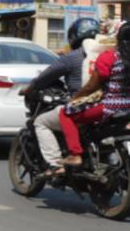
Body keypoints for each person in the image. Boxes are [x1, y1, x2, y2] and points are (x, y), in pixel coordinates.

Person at [56, 21, 130, 173]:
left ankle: (75, 154)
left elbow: (92, 85)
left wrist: (76, 98)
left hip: (113, 107)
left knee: (66, 113)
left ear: (118, 37)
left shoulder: (110, 57)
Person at [22, 18, 100, 176]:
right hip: (109, 106)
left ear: (74, 36)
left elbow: (46, 76)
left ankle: (54, 164)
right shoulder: (108, 55)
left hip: (84, 106)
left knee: (41, 122)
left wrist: (30, 88)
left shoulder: (72, 57)